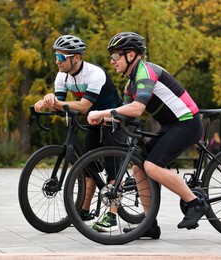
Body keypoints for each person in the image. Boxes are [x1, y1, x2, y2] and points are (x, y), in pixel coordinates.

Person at [87, 32, 210, 238]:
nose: (112, 61)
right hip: (171, 125)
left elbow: (136, 109)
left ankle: (196, 203)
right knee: (139, 167)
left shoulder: (146, 72)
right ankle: (149, 224)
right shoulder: (130, 83)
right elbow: (123, 115)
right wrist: (103, 119)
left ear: (132, 55)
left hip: (187, 123)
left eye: (116, 56)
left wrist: (101, 112)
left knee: (152, 166)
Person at [34, 35, 123, 232]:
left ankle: (112, 215)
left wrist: (57, 104)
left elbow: (82, 106)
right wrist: (45, 103)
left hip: (113, 119)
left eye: (61, 56)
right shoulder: (61, 76)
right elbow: (60, 107)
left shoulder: (95, 74)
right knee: (87, 166)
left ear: (76, 57)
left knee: (112, 168)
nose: (57, 60)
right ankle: (84, 210)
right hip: (93, 119)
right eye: (56, 55)